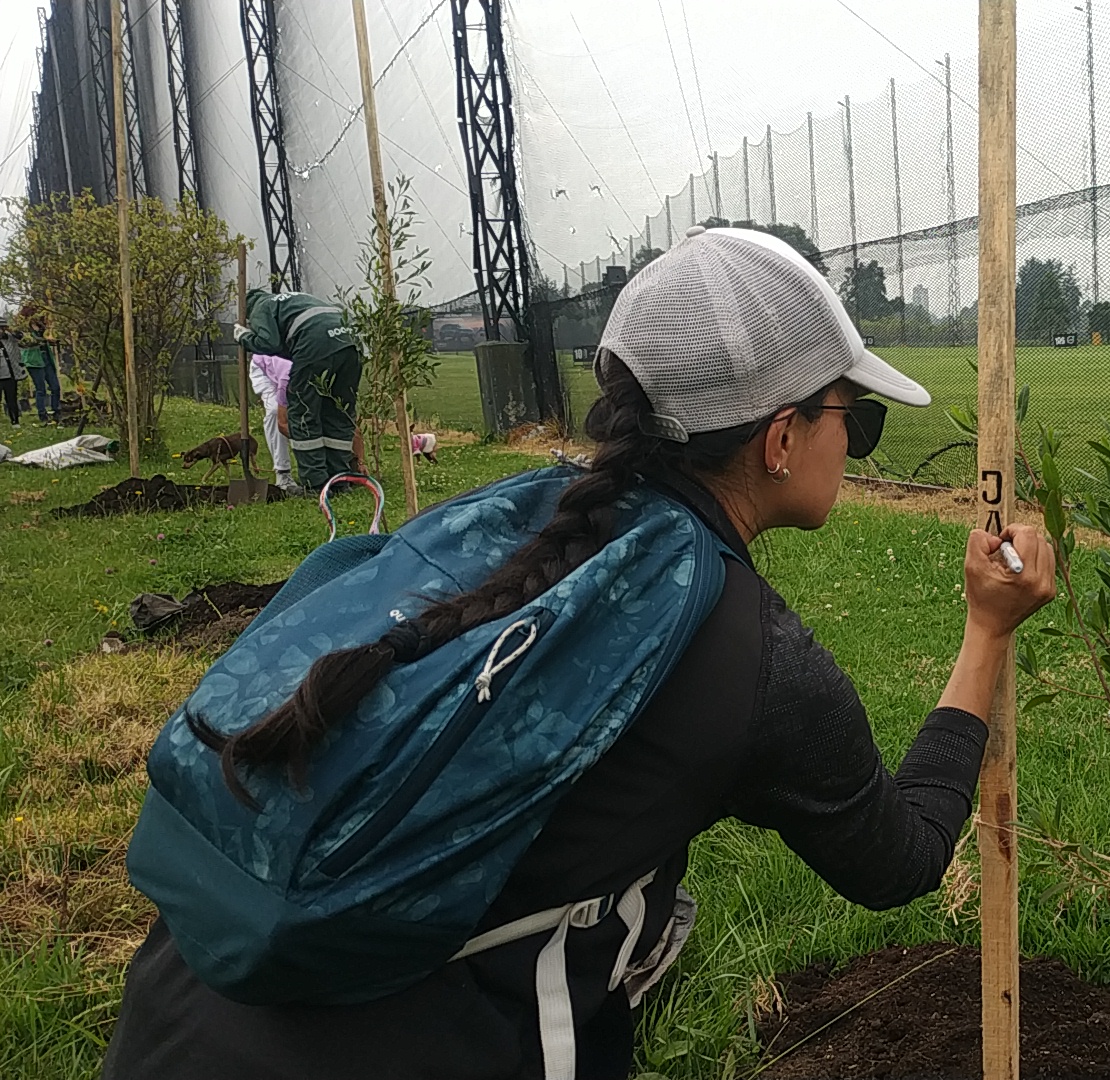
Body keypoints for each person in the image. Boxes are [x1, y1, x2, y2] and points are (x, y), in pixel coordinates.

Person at [103, 225, 1057, 1080]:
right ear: (779, 439)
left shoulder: (515, 521)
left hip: (176, 1014)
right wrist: (986, 632)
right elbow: (900, 858)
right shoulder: (749, 659)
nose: (858, 443)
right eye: (857, 415)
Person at [234, 288, 361, 488]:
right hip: (350, 343)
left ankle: (316, 484)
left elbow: (268, 342)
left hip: (315, 344)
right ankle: (340, 480)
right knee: (337, 411)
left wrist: (244, 337)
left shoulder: (260, 307)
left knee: (303, 414)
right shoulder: (294, 300)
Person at [247, 352, 296, 489]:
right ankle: (283, 474)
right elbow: (282, 421)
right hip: (264, 369)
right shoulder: (287, 375)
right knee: (275, 412)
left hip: (284, 368)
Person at [18, 327, 59, 425]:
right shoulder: (24, 329)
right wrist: (42, 340)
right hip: (34, 361)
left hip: (46, 359)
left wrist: (51, 341)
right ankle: (42, 414)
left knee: (55, 387)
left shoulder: (43, 329)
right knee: (41, 389)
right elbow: (24, 344)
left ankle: (56, 411)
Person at [0, 328, 24, 429]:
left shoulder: (10, 338)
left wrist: (9, 329)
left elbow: (20, 336)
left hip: (10, 375)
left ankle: (15, 421)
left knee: (11, 399)